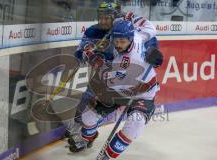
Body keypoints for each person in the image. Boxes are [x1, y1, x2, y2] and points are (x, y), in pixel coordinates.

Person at [64, 1, 162, 139]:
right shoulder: (92, 31)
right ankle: (80, 127)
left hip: (125, 76)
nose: (103, 21)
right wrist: (86, 52)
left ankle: (91, 127)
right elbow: (79, 53)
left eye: (107, 17)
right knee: (87, 97)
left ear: (115, 17)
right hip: (104, 73)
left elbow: (148, 39)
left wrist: (154, 53)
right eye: (101, 17)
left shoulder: (125, 28)